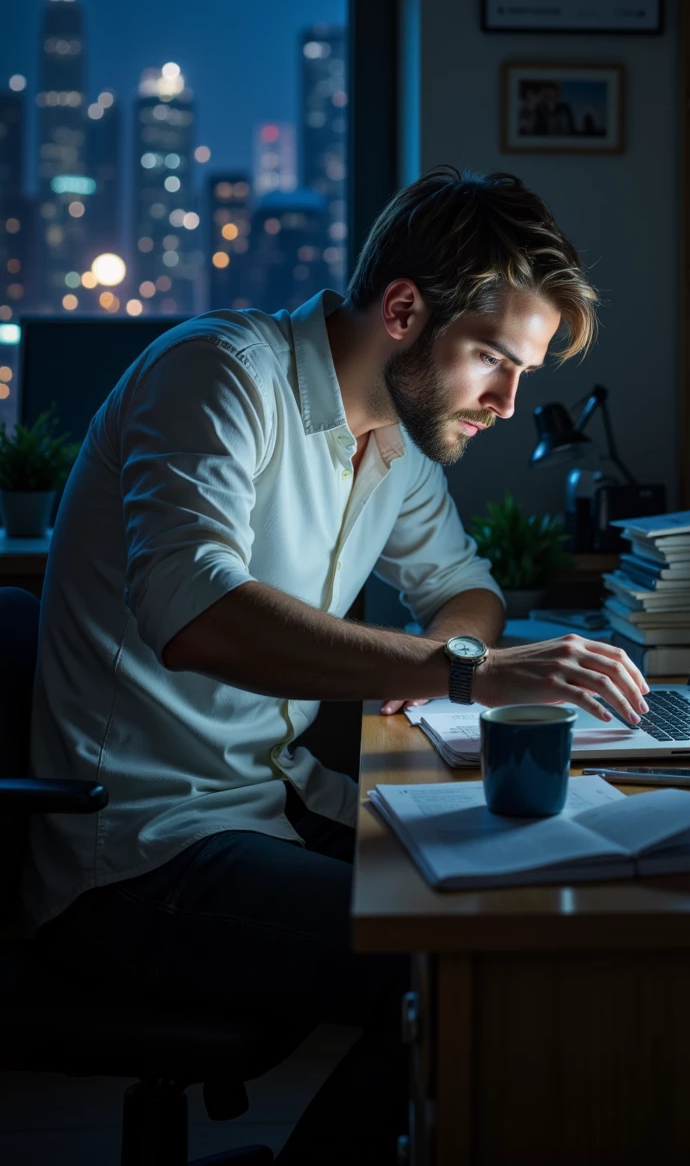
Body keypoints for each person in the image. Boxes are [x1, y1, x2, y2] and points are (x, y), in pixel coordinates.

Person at [24, 166, 649, 1163]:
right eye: (492, 358)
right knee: (469, 969)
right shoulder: (221, 372)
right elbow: (194, 613)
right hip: (133, 857)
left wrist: (456, 651)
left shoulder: (392, 440)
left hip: (266, 807)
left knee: (526, 913)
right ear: (404, 309)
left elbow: (465, 591)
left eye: (523, 372)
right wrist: (460, 674)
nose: (505, 399)